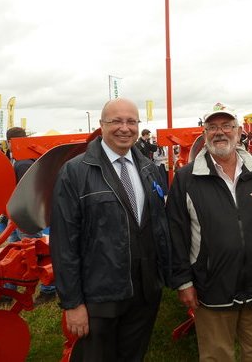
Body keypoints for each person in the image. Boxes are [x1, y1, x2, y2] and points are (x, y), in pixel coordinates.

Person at [49, 98, 171, 361]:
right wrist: (72, 303)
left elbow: (158, 226)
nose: (124, 128)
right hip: (100, 295)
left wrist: (166, 276)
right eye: (116, 121)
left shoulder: (149, 168)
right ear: (101, 125)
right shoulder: (75, 172)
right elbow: (64, 245)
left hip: (145, 291)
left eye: (131, 121)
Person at [166, 102, 252, 361]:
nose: (220, 132)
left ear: (239, 131)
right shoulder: (187, 179)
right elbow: (176, 234)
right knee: (216, 356)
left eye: (227, 126)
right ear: (204, 133)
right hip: (212, 288)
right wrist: (183, 282)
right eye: (212, 127)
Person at [0, 127, 57, 308]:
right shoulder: (25, 159)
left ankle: (50, 289)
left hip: (25, 215)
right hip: (18, 214)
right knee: (12, 252)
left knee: (35, 252)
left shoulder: (22, 162)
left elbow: (28, 191)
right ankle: (9, 290)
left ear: (11, 141)